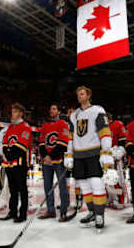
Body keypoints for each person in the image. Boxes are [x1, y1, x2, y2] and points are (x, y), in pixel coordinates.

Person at [64, 86, 113, 232]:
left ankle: (100, 215)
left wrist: (106, 151)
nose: (79, 96)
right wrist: (69, 154)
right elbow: (71, 137)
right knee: (84, 186)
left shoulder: (98, 110)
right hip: (79, 155)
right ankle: (92, 212)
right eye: (78, 94)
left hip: (93, 154)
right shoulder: (74, 115)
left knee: (96, 184)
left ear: (89, 95)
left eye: (82, 94)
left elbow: (105, 132)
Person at [0, 103, 33, 223]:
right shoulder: (10, 128)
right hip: (9, 163)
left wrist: (9, 153)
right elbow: (4, 143)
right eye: (12, 111)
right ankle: (12, 211)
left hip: (20, 163)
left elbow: (21, 146)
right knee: (12, 189)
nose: (12, 114)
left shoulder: (26, 127)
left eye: (14, 112)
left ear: (20, 113)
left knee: (21, 189)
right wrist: (7, 154)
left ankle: (22, 213)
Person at [38, 103, 70, 221]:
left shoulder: (63, 124)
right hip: (47, 162)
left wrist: (50, 157)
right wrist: (45, 156)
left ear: (59, 112)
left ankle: (63, 212)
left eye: (54, 108)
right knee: (47, 186)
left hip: (59, 160)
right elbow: (41, 143)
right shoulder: (45, 125)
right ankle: (50, 210)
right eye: (50, 108)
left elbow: (62, 144)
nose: (51, 110)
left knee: (62, 187)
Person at [108, 113, 127, 208]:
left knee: (116, 179)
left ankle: (120, 199)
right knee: (107, 180)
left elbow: (123, 142)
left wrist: (119, 152)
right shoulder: (100, 127)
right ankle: (111, 198)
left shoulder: (118, 124)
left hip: (114, 155)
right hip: (104, 156)